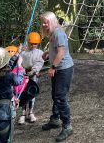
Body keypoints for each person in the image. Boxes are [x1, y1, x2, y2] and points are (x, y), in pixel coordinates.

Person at [40, 11, 74, 142]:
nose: (43, 24)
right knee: (55, 95)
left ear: (52, 21)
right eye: (42, 22)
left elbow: (61, 52)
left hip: (64, 69)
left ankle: (67, 126)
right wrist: (48, 52)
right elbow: (56, 49)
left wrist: (52, 67)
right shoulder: (53, 33)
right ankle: (55, 119)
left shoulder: (58, 33)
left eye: (46, 22)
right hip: (59, 68)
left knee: (60, 97)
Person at [18, 32, 44, 124]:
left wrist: (34, 71)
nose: (33, 45)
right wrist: (21, 70)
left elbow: (40, 63)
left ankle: (31, 112)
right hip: (23, 74)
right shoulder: (24, 52)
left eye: (35, 44)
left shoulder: (40, 53)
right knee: (23, 93)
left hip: (32, 74)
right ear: (28, 42)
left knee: (32, 93)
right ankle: (23, 114)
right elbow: (19, 62)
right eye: (31, 43)